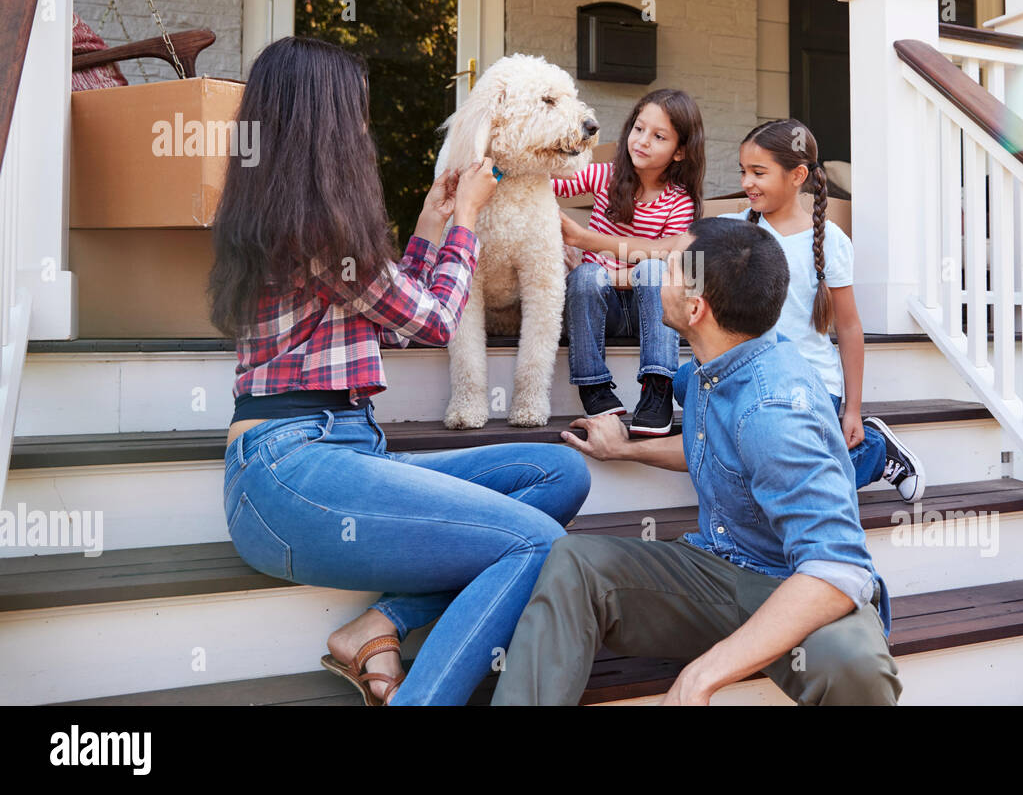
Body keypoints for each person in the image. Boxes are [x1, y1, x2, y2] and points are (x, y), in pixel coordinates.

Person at [211, 36, 590, 706]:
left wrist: (428, 223)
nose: (366, 128)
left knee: (560, 473)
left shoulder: (305, 220)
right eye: (355, 112)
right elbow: (436, 322)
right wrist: (468, 217)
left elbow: (394, 313)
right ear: (322, 123)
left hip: (346, 452)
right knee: (534, 542)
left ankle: (381, 624)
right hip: (291, 470)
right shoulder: (313, 227)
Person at [491, 217, 901, 706]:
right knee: (575, 562)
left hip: (792, 587)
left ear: (695, 307)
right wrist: (625, 447)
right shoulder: (715, 363)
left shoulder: (773, 411)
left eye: (668, 268)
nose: (657, 271)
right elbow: (718, 448)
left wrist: (701, 675)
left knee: (857, 668)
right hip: (715, 568)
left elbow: (838, 568)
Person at [720, 119, 925, 502]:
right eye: (743, 171)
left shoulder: (830, 240)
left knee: (789, 477)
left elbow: (848, 327)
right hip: (756, 378)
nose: (747, 182)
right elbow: (666, 247)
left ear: (798, 175)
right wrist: (586, 239)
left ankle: (874, 454)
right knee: (686, 382)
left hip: (810, 384)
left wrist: (852, 409)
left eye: (758, 172)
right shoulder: (735, 231)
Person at [553, 89, 705, 436]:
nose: (643, 141)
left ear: (680, 151)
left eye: (659, 136)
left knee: (651, 271)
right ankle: (593, 385)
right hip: (597, 307)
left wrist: (597, 252)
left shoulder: (679, 202)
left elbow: (674, 260)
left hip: (650, 315)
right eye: (639, 129)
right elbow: (546, 185)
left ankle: (657, 388)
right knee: (588, 276)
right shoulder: (605, 176)